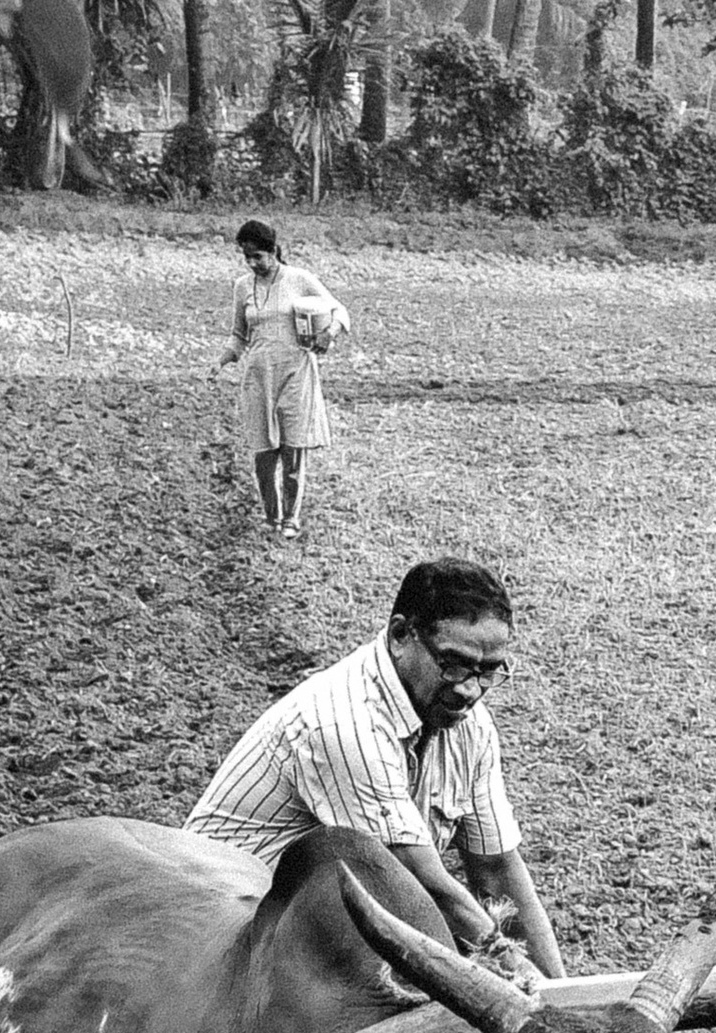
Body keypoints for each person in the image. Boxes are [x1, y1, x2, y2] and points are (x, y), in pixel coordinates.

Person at [187, 558, 566, 976]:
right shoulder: (342, 722)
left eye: (489, 671)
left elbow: (496, 868)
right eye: (453, 664)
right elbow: (416, 885)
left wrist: (563, 995)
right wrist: (517, 972)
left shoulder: (470, 727)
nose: (469, 689)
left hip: (302, 929)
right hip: (216, 944)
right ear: (401, 635)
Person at [219, 219, 348, 540]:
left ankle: (291, 517)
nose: (252, 264)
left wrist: (328, 333)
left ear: (273, 251)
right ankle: (271, 516)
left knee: (292, 452)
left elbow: (340, 311)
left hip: (296, 373)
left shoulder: (299, 279)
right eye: (246, 257)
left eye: (258, 257)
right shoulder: (241, 287)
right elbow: (238, 334)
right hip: (260, 377)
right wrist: (223, 359)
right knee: (264, 455)